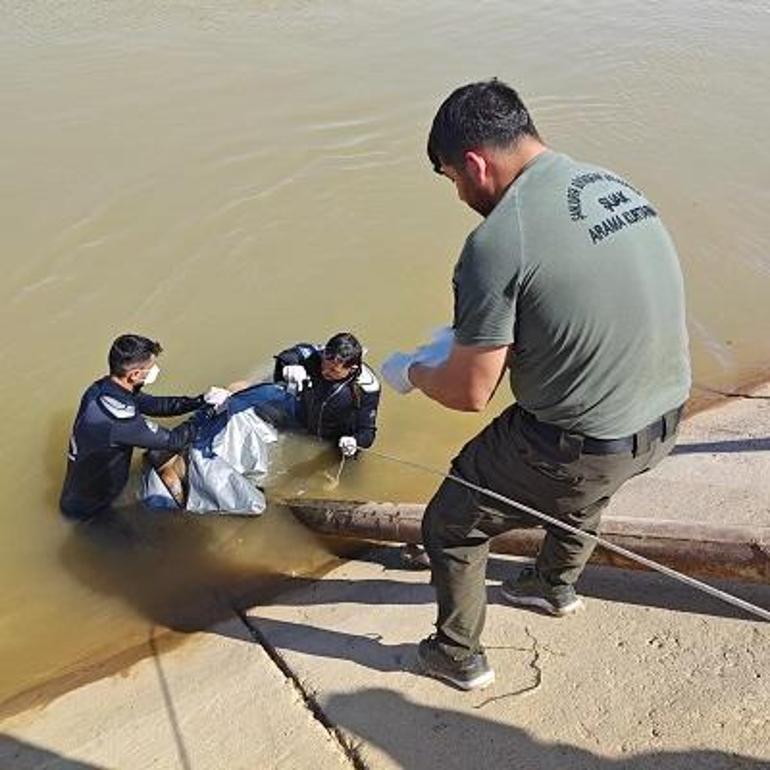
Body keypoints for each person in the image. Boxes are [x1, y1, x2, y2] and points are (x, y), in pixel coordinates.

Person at [381, 80, 690, 691]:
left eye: (451, 179)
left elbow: (471, 392)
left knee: (451, 522)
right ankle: (552, 585)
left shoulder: (495, 242)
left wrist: (412, 372)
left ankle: (457, 652)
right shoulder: (611, 185)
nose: (460, 194)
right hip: (663, 421)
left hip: (584, 446)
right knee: (586, 491)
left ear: (474, 163)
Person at [60, 334, 229, 520]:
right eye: (150, 368)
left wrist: (201, 400)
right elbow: (173, 440)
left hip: (86, 487)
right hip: (92, 507)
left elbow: (155, 405)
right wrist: (208, 413)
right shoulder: (119, 418)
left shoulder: (102, 389)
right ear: (134, 375)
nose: (154, 370)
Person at [260, 331, 381, 457]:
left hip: (339, 440)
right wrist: (291, 366)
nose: (325, 371)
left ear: (352, 369)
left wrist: (355, 441)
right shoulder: (317, 354)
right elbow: (288, 355)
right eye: (324, 364)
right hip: (303, 423)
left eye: (333, 370)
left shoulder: (367, 386)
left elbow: (367, 432)